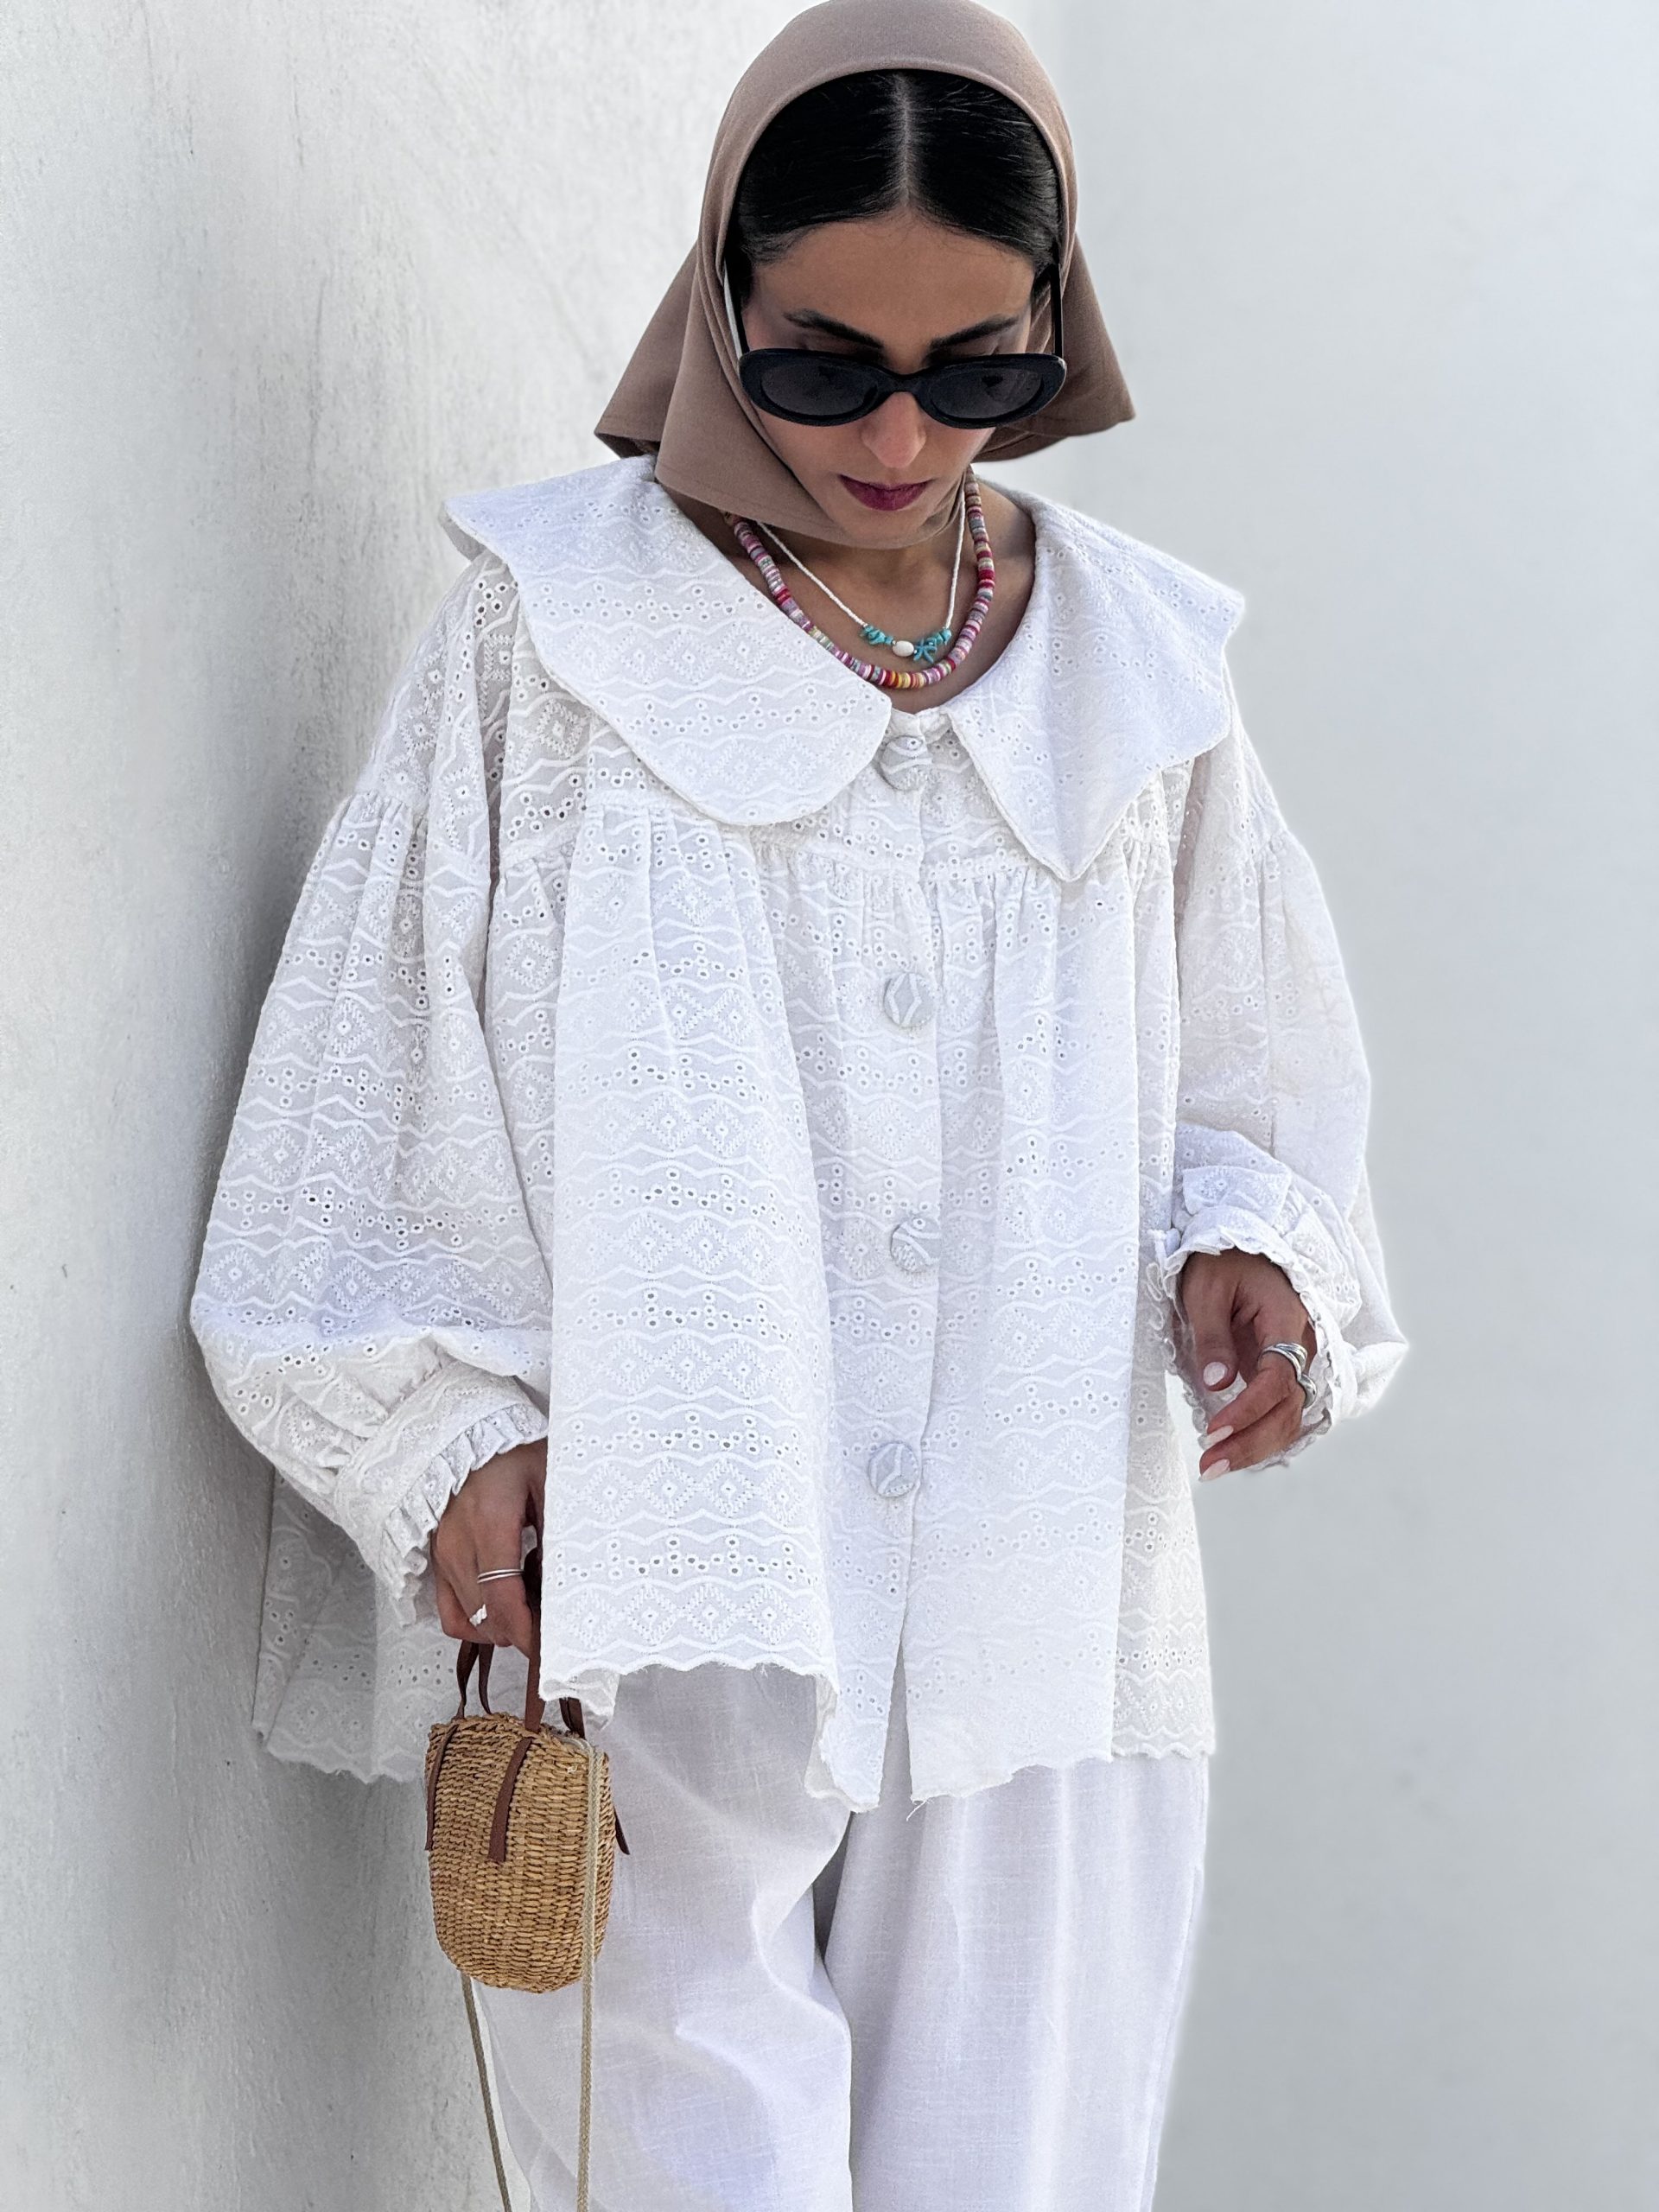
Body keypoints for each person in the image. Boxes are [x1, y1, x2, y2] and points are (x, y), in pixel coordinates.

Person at [188, 3, 1406, 2206]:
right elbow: (359, 1094)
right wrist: (438, 1430)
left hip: (1047, 1607)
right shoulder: (554, 637)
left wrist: (1257, 1245)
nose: (902, 435)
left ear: (1059, 329)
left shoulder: (1143, 674)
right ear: (719, 294)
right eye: (828, 364)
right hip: (663, 1579)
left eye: (981, 368)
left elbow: (1260, 1064)